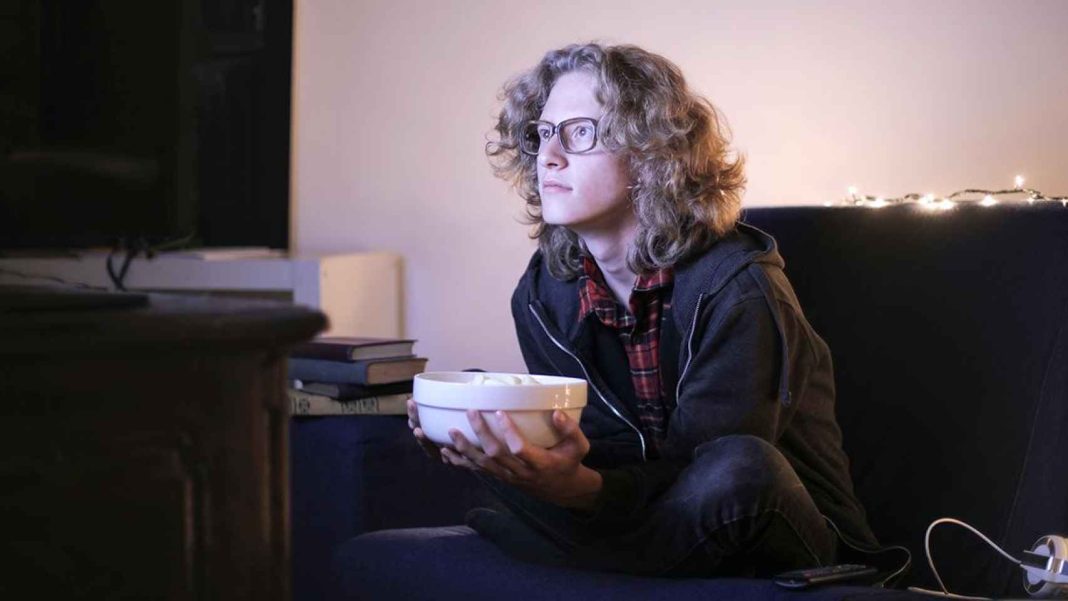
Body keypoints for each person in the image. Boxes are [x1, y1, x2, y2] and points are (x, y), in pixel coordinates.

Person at [407, 42, 882, 578]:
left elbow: (699, 476)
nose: (548, 156)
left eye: (579, 132)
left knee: (741, 468)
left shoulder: (739, 290)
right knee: (483, 409)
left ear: (650, 153)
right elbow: (601, 451)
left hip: (784, 533)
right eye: (543, 133)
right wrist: (518, 453)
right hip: (636, 512)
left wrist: (580, 492)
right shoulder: (543, 295)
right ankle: (602, 552)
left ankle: (584, 555)